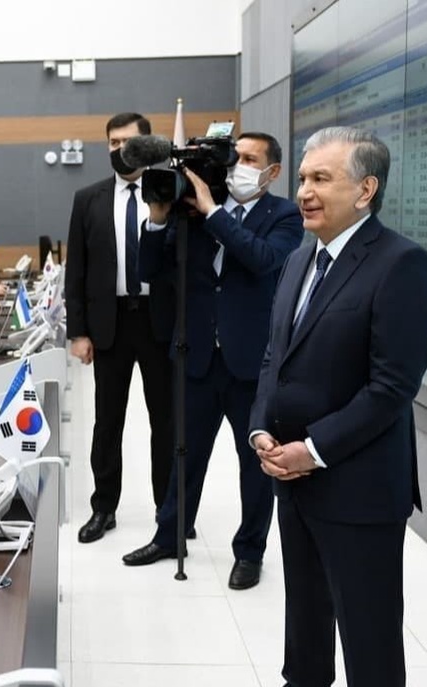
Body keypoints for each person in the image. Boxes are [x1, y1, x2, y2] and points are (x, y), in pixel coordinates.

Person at [230, 127, 427, 687]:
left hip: (358, 480)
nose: (304, 191)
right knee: (307, 597)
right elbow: (274, 357)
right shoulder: (300, 257)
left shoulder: (401, 265)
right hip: (292, 468)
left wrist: (313, 448)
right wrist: (262, 427)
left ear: (366, 189)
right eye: (303, 178)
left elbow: (391, 387)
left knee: (367, 621)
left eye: (321, 178)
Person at [122, 132, 304, 589]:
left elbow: (262, 259)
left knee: (254, 462)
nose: (237, 165)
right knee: (185, 453)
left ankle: (250, 551)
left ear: (272, 171)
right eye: (234, 156)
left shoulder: (283, 215)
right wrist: (158, 220)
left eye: (249, 159)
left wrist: (213, 213)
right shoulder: (193, 211)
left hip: (252, 361)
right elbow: (150, 271)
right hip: (197, 354)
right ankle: (169, 535)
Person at [64, 112, 173, 543]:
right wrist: (78, 332)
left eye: (128, 142)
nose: (120, 149)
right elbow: (77, 269)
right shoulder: (87, 198)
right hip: (109, 324)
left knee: (165, 421)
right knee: (107, 422)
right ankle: (103, 507)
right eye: (113, 142)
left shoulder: (168, 191)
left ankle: (169, 508)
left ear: (147, 145)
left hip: (159, 321)